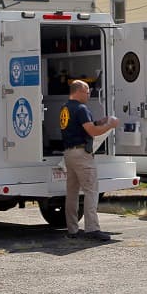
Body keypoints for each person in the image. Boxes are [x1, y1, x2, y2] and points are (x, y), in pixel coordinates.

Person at [59, 79, 119, 241]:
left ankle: (72, 229)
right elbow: (92, 131)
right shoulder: (81, 108)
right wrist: (110, 125)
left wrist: (100, 121)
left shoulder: (65, 108)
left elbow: (84, 126)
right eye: (87, 92)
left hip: (69, 154)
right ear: (78, 91)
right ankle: (92, 229)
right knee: (91, 190)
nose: (88, 94)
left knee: (71, 193)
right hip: (81, 155)